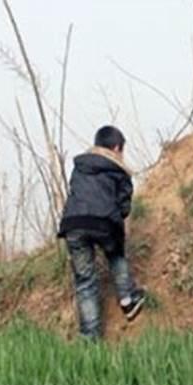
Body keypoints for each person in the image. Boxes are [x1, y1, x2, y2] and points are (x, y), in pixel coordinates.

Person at [58, 125, 145, 340]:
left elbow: (76, 192)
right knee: (115, 254)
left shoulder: (80, 166)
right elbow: (124, 207)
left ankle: (90, 337)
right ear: (117, 148)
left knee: (85, 281)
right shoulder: (119, 170)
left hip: (74, 224)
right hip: (104, 223)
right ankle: (128, 299)